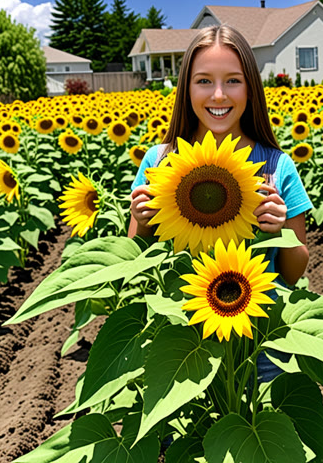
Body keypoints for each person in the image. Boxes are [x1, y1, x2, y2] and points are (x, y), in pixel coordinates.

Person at [128, 24, 312, 287]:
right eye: (203, 81)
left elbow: (293, 275)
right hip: (178, 324)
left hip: (259, 323)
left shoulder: (276, 168)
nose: (218, 95)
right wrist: (144, 222)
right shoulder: (159, 163)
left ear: (250, 88)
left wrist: (280, 231)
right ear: (186, 89)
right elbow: (135, 266)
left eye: (233, 81)